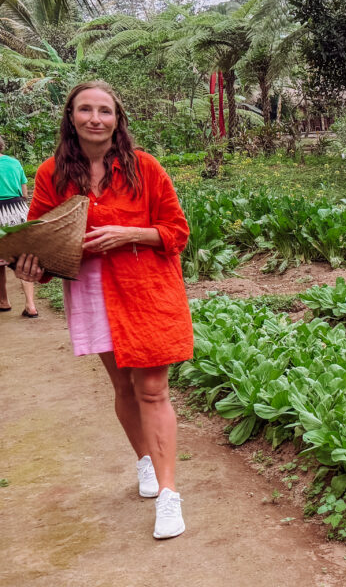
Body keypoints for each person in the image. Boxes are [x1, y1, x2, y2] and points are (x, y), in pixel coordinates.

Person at [13, 81, 193, 540]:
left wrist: (129, 234)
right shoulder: (51, 173)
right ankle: (146, 462)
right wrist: (33, 267)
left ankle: (170, 494)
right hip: (91, 290)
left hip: (144, 288)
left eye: (105, 111)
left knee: (152, 390)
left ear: (118, 118)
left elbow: (176, 230)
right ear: (71, 117)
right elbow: (43, 240)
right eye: (85, 110)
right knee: (123, 386)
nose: (96, 118)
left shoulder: (145, 168)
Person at [0, 136, 38, 318]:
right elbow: (24, 193)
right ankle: (31, 305)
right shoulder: (14, 163)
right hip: (18, 210)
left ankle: (3, 301)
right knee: (24, 257)